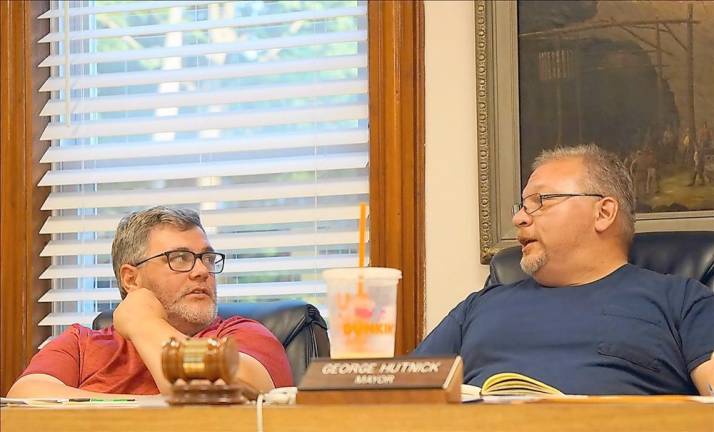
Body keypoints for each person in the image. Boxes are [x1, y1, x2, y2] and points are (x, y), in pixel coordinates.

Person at [414, 144, 714, 395]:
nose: (519, 218)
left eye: (540, 201)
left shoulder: (683, 302)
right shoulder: (477, 308)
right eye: (521, 205)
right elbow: (398, 398)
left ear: (604, 212)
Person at [8, 207, 292, 398]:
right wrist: (142, 410)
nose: (202, 271)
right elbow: (26, 396)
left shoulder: (241, 335)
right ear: (131, 280)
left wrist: (143, 322)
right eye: (179, 258)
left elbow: (224, 396)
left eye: (206, 258)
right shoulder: (80, 344)